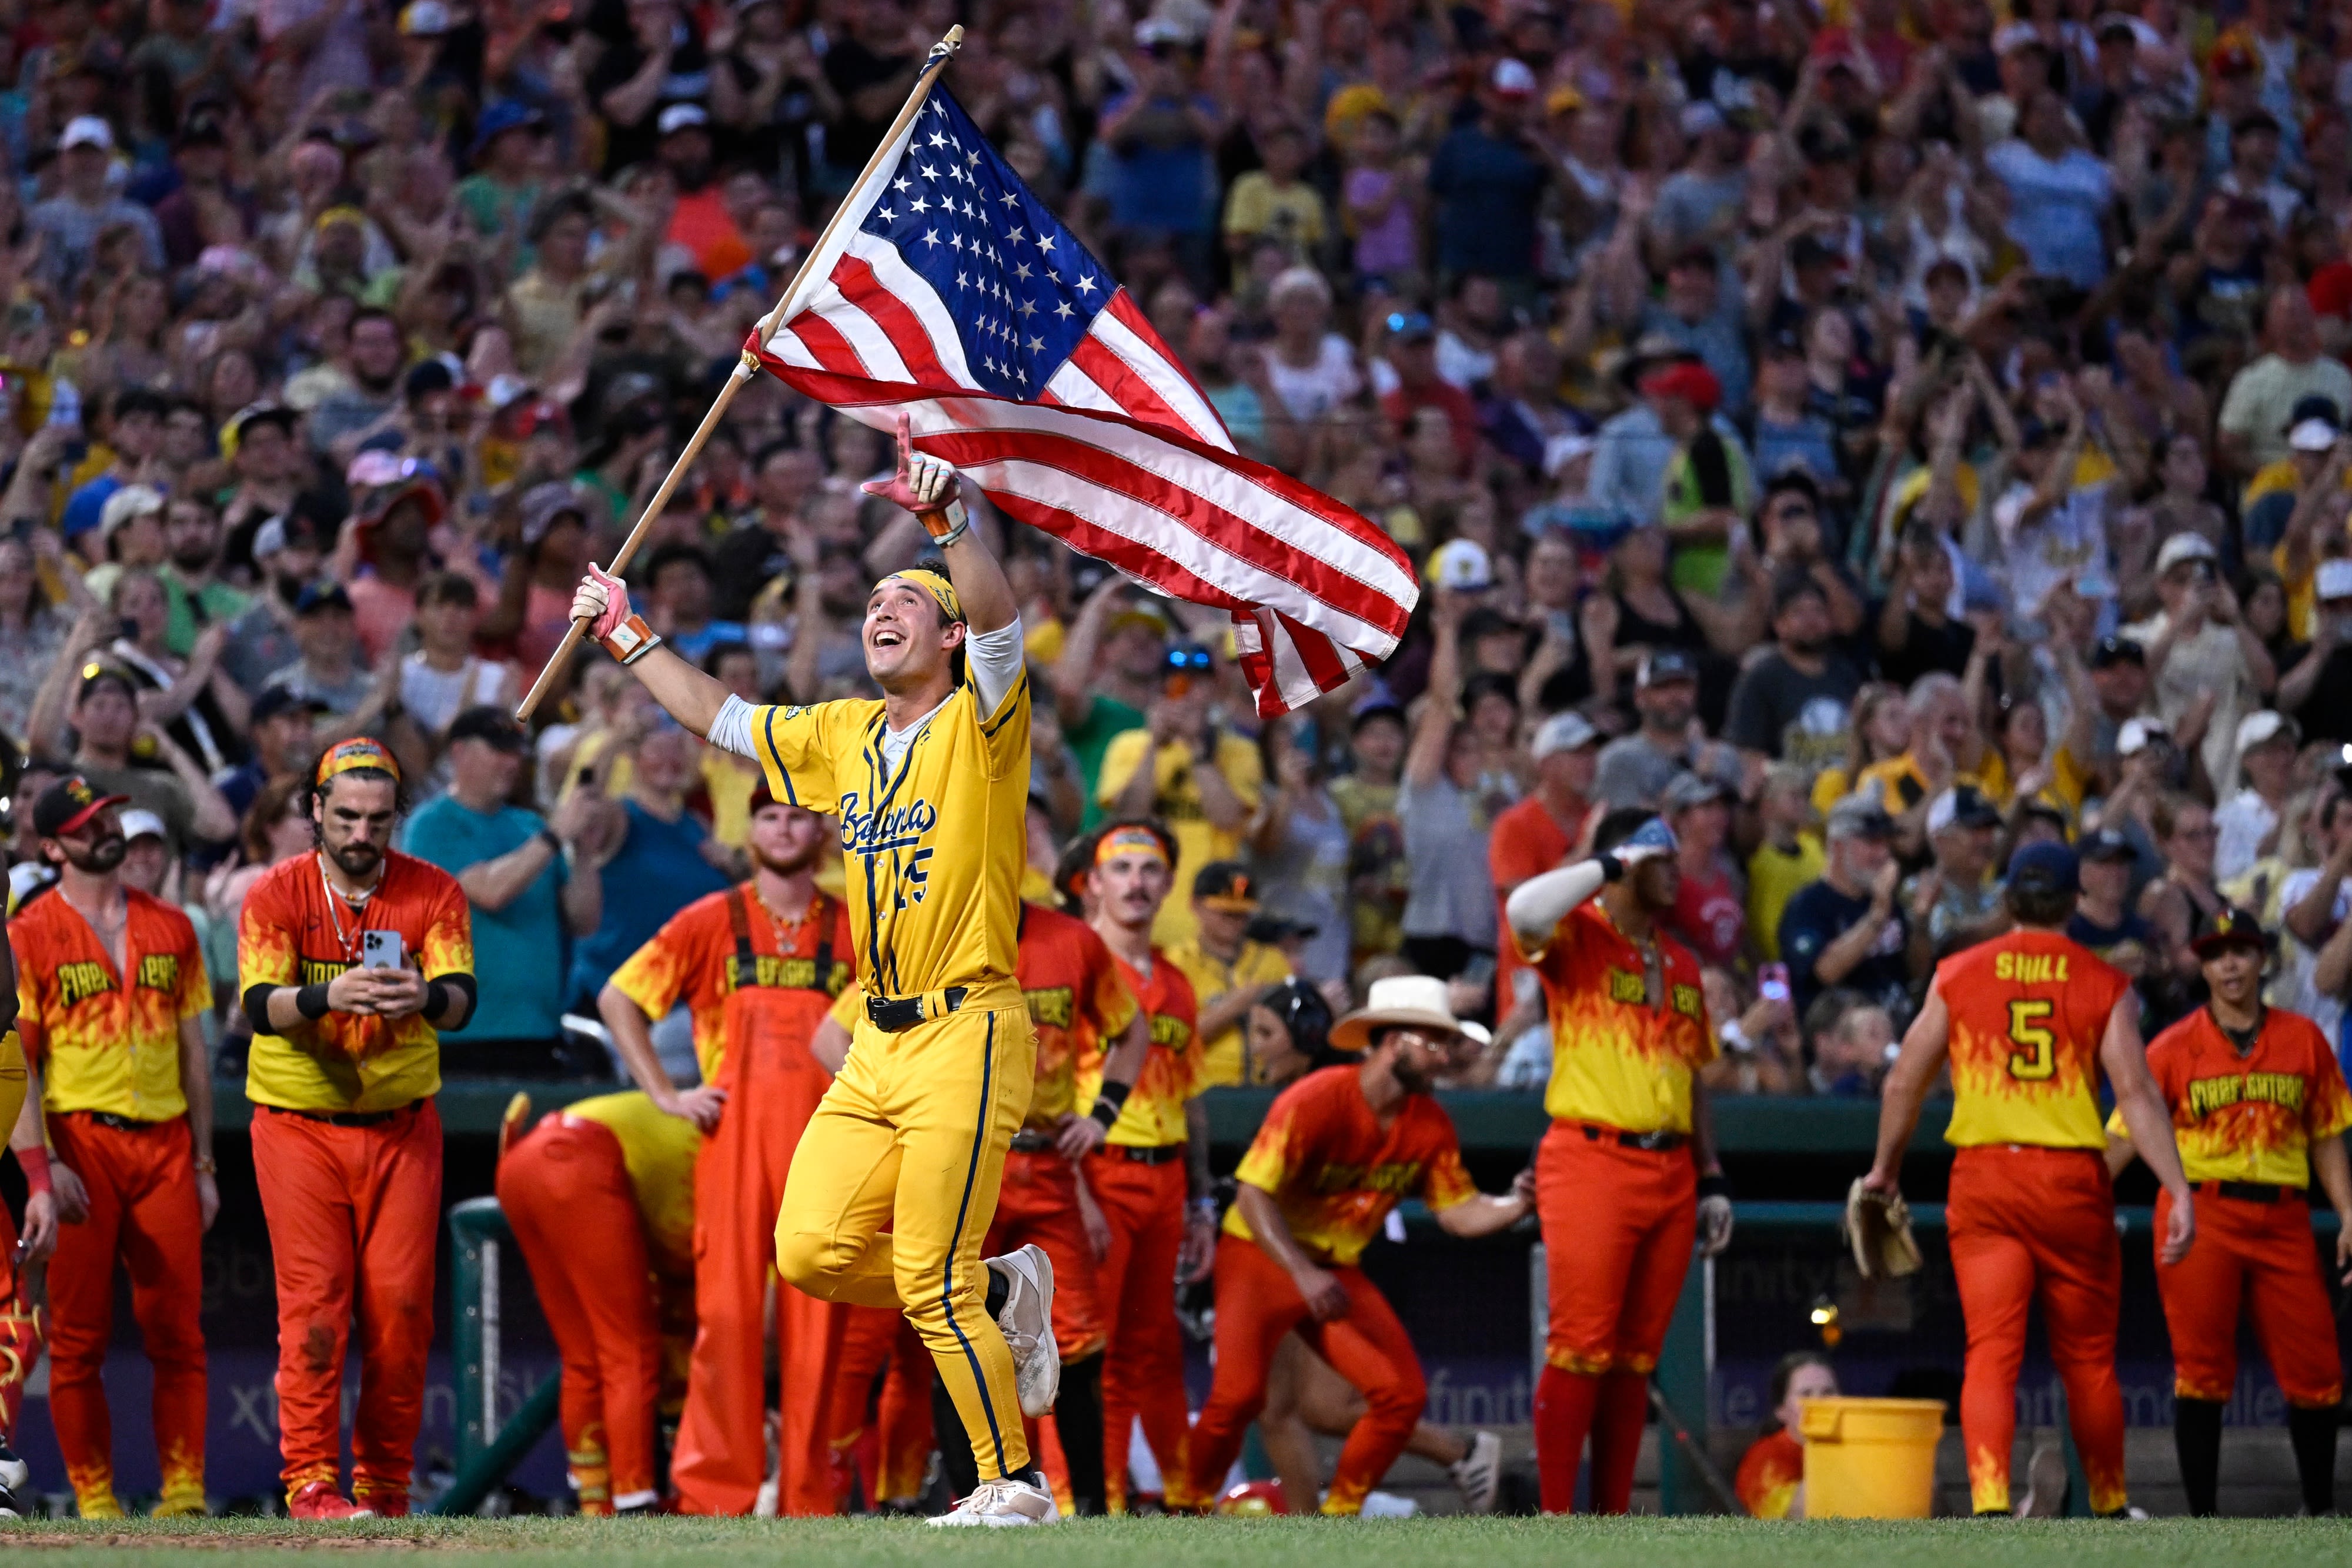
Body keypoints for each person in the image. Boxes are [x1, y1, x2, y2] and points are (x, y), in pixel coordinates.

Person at [567, 416, 1060, 1524]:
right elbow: (720, 720)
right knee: (809, 1248)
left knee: (924, 1272)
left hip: (968, 1026)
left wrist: (949, 525)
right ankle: (997, 1291)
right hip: (876, 1038)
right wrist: (626, 633)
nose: (883, 611)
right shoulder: (843, 732)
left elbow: (998, 614)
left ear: (944, 640)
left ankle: (1011, 1482)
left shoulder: (984, 718)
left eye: (908, 604)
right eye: (875, 603)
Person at [1863, 840, 2193, 1517]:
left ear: (2007, 899)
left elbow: (1903, 1080)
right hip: (2070, 1178)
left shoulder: (1958, 972)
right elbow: (2134, 1093)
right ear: (2075, 901)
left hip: (1986, 1176)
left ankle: (1988, 1503)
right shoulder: (2102, 981)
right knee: (2089, 1360)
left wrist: (1884, 1170)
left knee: (1990, 1351)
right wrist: (2177, 1186)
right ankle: (2107, 1505)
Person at [1175, 974, 1534, 1516]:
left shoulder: (1430, 1122)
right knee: (1241, 1396)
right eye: (1432, 1043)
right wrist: (1301, 1272)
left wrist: (1518, 1203)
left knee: (1401, 1395)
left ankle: (1341, 1515)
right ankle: (1185, 1507)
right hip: (1262, 1254)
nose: (1444, 1058)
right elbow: (1252, 1198)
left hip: (1337, 1264)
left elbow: (1459, 1214)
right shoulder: (1319, 1097)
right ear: (1392, 1042)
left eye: (1447, 1044)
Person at [598, 781, 856, 1516]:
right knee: (729, 1323)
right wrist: (665, 1094)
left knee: (819, 1328)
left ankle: (810, 1496)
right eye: (770, 817)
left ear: (821, 831)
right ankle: (714, 1493)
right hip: (733, 1143)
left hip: (828, 1145)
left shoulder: (855, 928)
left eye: (797, 817)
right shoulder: (713, 919)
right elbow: (619, 999)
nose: (783, 830)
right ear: (751, 831)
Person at [235, 738, 475, 1517]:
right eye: (346, 816)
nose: (361, 833)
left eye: (377, 818)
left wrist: (424, 998)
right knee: (316, 1306)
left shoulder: (433, 890)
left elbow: (463, 998)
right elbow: (257, 1007)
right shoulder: (275, 893)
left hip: (403, 1124)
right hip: (300, 1121)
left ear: (394, 817)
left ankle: (385, 1487)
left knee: (404, 1311)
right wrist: (328, 995)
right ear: (315, 810)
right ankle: (310, 1483)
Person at [1502, 807, 1733, 1514]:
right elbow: (1522, 907)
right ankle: (1554, 1517)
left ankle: (1609, 1522)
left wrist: (1713, 1177)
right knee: (1579, 1347)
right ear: (1628, 864)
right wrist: (1608, 863)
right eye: (1661, 861)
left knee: (1635, 1358)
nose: (1677, 875)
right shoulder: (1577, 937)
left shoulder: (1683, 960)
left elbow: (1692, 1075)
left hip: (1672, 1172)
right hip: (1591, 1155)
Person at [2105, 906, 2352, 1519]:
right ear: (2202, 965)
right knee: (2201, 1369)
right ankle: (2203, 1519)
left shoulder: (2302, 1039)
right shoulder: (2172, 1046)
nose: (2229, 965)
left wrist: (2348, 1212)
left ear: (2261, 959)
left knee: (2317, 1367)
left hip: (2284, 1214)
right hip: (2201, 1214)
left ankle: (2317, 1512)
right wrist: (2078, 1196)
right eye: (2216, 954)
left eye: (2240, 951)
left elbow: (2325, 1134)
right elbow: (2127, 1132)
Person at [12, 774, 214, 1518]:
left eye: (111, 817)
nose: (109, 831)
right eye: (92, 823)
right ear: (52, 846)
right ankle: (95, 1501)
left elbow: (195, 1052)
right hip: (80, 1142)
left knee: (177, 1328)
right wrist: (46, 1166)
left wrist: (204, 1163)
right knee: (77, 1336)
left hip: (165, 1145)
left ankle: (185, 1493)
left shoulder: (173, 925)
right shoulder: (28, 933)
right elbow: (18, 1063)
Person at [926, 890, 1149, 1516]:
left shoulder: (1073, 941)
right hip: (966, 1154)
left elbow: (1133, 1031)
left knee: (1078, 1342)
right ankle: (971, 1501)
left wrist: (1103, 1115)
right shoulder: (932, 924)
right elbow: (839, 1035)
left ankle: (1092, 1514)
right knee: (950, 1323)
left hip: (1047, 1161)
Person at [1075, 819, 1215, 1512]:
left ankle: (1156, 1496)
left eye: (1150, 870)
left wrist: (1201, 1206)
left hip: (1166, 1182)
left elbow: (1192, 1105)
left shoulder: (1180, 984)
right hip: (1097, 1173)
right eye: (1121, 869)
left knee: (1147, 1347)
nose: (1136, 882)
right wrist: (1076, 1194)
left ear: (1167, 886)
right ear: (1093, 884)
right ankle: (1094, 1499)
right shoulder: (1074, 966)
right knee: (1091, 1350)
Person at [495, 1091, 698, 1515]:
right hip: (577, 1159)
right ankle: (634, 1499)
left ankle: (596, 1501)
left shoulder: (718, 1130)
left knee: (584, 1356)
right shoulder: (737, 1152)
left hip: (520, 1160)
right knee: (632, 1349)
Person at [402, 708, 610, 1076]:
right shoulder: (433, 824)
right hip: (463, 1037)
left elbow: (583, 920)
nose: (511, 763)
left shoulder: (529, 825)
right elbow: (491, 892)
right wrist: (557, 833)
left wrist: (585, 852)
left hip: (539, 1032)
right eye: (498, 750)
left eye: (516, 752)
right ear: (460, 752)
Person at [1778, 797, 1928, 1023]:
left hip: (1898, 1024)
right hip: (1843, 1039)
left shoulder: (1884, 898)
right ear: (1838, 847)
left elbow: (1917, 972)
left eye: (1886, 843)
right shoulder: (1807, 906)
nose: (1884, 854)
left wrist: (1922, 920)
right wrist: (1876, 918)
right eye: (1872, 842)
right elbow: (1825, 972)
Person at [1167, 862, 1292, 1088]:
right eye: (1225, 911)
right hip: (1200, 1091)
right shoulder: (1176, 963)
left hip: (1266, 1088)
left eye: (1242, 913)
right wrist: (1232, 1007)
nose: (1235, 920)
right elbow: (1170, 1043)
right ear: (1196, 905)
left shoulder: (1272, 961)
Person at [1735, 1352, 1838, 1519]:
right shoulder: (1764, 1456)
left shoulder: (1853, 1450)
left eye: (1828, 1392)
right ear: (1781, 1410)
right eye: (1806, 1394)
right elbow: (1793, 1512)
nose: (1820, 1404)